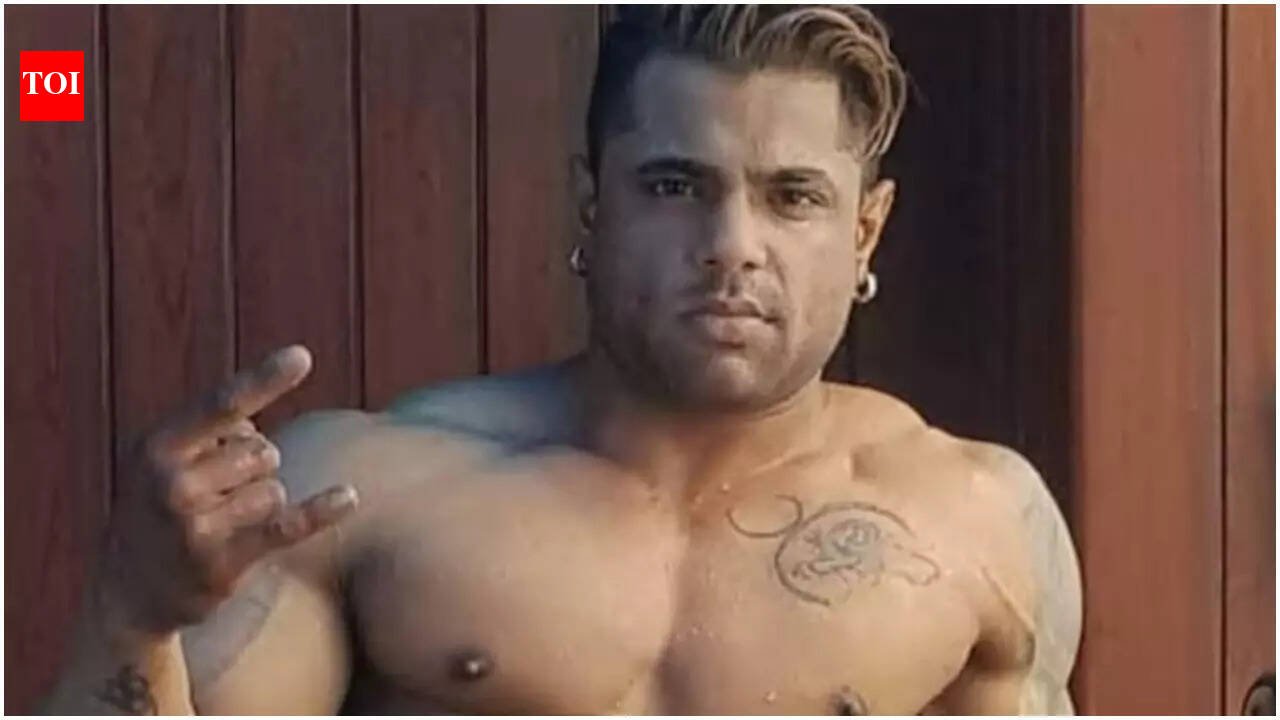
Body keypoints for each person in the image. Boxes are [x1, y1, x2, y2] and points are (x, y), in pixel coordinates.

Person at [42, 5, 1082, 715]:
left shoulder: (981, 520)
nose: (731, 244)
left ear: (863, 233)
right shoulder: (357, 495)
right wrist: (132, 614)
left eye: (792, 197)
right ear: (594, 204)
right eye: (674, 186)